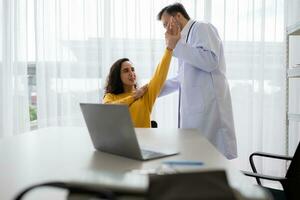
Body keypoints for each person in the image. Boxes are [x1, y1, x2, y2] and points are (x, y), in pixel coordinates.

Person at [157, 3, 237, 159]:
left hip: (210, 111)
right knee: (196, 159)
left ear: (178, 16)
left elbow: (210, 60)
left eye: (167, 24)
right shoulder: (183, 39)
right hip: (196, 112)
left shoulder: (202, 28)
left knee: (211, 161)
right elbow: (181, 78)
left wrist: (176, 46)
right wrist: (152, 91)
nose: (166, 30)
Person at [103, 19, 180, 128]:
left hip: (144, 143)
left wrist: (169, 48)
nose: (131, 73)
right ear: (117, 76)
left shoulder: (145, 94)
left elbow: (159, 74)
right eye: (126, 71)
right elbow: (109, 110)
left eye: (132, 69)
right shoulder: (110, 97)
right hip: (121, 144)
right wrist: (134, 96)